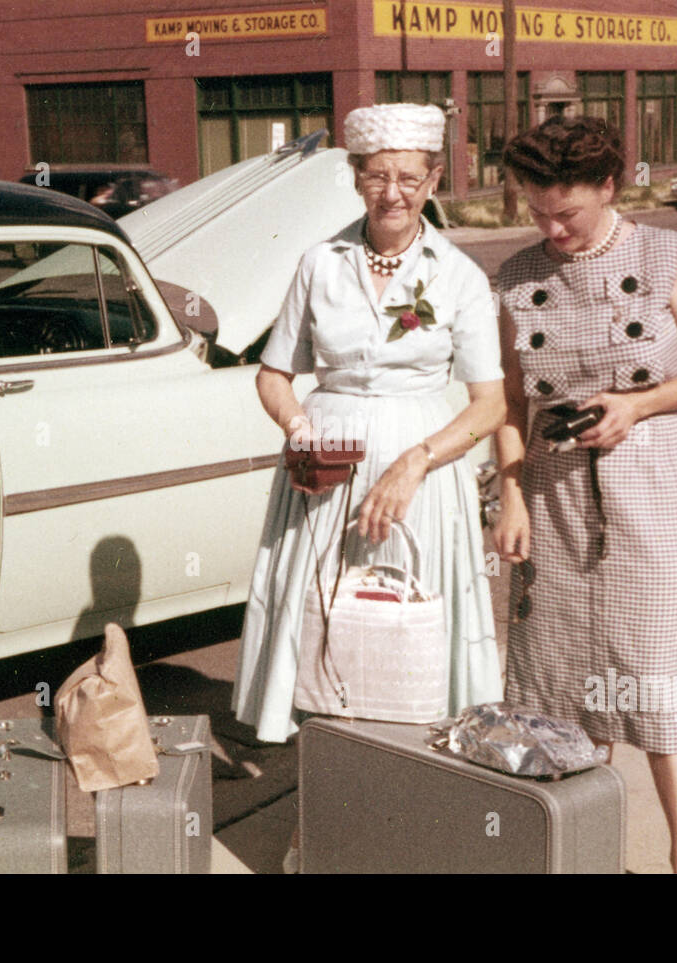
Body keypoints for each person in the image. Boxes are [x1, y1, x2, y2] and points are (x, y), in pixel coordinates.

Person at [491, 116, 677, 875]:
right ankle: (583, 844)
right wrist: (510, 494)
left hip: (649, 477)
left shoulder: (664, 254)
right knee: (558, 668)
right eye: (536, 212)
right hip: (552, 486)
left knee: (654, 655)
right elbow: (506, 397)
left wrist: (637, 405)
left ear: (608, 186)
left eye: (566, 213)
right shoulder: (514, 276)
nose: (551, 228)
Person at [232, 102, 507, 751]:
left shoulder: (459, 276)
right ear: (356, 177)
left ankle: (410, 798)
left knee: (405, 634)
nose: (393, 194)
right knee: (324, 630)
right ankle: (323, 801)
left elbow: (489, 405)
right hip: (324, 479)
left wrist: (415, 462)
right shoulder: (318, 264)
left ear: (434, 180)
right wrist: (300, 429)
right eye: (378, 176)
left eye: (409, 179)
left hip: (422, 481)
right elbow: (273, 376)